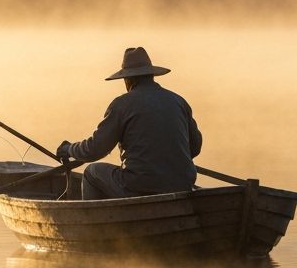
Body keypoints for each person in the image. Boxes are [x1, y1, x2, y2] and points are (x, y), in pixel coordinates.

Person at [56, 46, 202, 200]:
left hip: (139, 186)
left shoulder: (121, 105)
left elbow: (95, 150)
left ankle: (94, 223)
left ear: (128, 79)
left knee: (91, 172)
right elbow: (195, 148)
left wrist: (69, 149)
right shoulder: (178, 101)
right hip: (182, 184)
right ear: (151, 75)